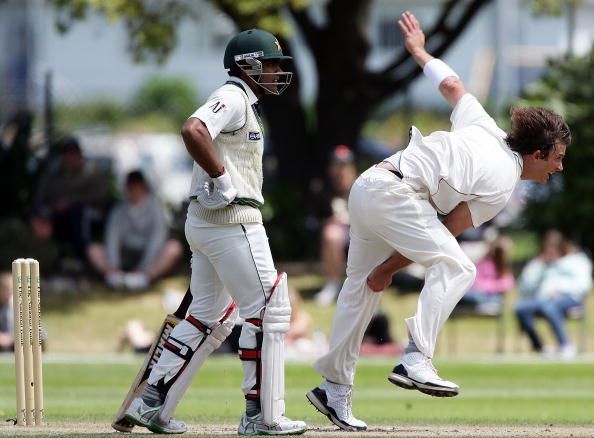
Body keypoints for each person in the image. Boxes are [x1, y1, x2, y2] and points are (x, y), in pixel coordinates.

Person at [306, 11, 571, 431]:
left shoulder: (485, 125)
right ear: (537, 153)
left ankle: (333, 389)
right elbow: (448, 230)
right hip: (398, 196)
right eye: (557, 159)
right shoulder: (504, 183)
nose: (557, 169)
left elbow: (451, 85)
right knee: (458, 265)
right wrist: (389, 268)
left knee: (360, 288)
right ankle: (416, 357)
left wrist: (418, 51)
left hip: (368, 184)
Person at [124, 29, 307, 435]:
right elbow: (193, 129)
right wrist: (221, 177)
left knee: (206, 317)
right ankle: (261, 417)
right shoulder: (234, 97)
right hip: (232, 222)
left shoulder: (247, 102)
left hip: (207, 225)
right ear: (248, 64)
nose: (278, 71)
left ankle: (151, 400)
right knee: (267, 313)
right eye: (272, 63)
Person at [87, 170, 183, 291]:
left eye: (137, 187)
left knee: (174, 248)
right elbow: (112, 238)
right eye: (131, 187)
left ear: (143, 187)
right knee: (93, 250)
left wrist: (144, 267)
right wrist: (113, 266)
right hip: (125, 254)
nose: (134, 191)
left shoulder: (155, 207)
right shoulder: (119, 209)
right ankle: (114, 277)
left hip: (148, 255)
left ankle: (144, 278)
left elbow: (157, 238)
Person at [35, 136, 113, 265]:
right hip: (56, 215)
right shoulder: (54, 174)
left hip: (88, 214)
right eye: (67, 154)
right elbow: (41, 198)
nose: (71, 158)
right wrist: (47, 210)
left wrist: (71, 202)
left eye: (73, 154)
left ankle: (84, 259)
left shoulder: (93, 172)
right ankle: (53, 260)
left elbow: (100, 197)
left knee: (78, 214)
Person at [515, 230, 592, 359]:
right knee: (520, 308)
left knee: (550, 306)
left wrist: (561, 290)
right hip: (542, 299)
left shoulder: (576, 261)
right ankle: (540, 347)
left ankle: (565, 345)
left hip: (568, 298)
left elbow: (585, 285)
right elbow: (525, 286)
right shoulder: (539, 265)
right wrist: (537, 266)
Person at [312, 145, 358, 305]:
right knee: (331, 234)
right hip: (338, 235)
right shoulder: (324, 190)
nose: (341, 170)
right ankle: (332, 284)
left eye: (345, 165)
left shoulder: (361, 185)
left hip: (361, 232)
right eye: (337, 165)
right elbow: (317, 219)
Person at [456, 234, 515, 316]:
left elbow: (508, 284)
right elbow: (476, 282)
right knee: (472, 295)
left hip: (488, 296)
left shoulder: (504, 268)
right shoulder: (485, 263)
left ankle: (484, 305)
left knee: (495, 299)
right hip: (477, 293)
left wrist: (489, 287)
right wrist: (493, 286)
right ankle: (484, 305)